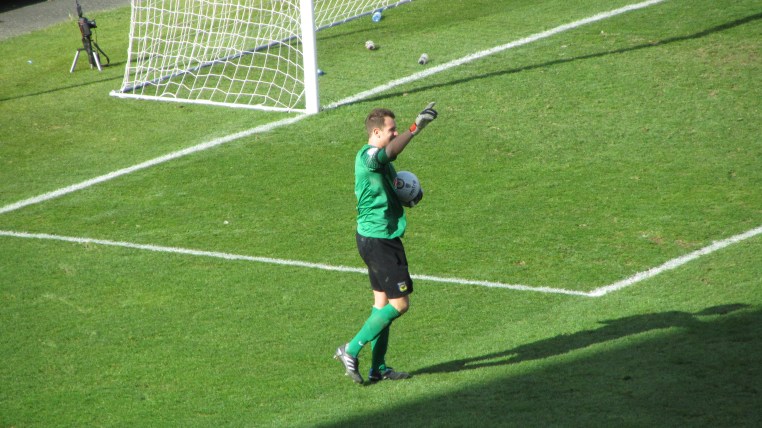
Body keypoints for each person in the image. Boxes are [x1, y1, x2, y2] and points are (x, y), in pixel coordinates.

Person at [334, 102, 438, 384]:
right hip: (379, 241)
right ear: (376, 132)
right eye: (391, 129)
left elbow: (390, 185)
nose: (394, 133)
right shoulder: (369, 156)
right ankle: (350, 350)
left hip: (376, 237)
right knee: (400, 304)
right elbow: (389, 152)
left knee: (382, 305)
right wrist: (415, 128)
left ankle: (378, 367)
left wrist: (408, 197)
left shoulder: (381, 163)